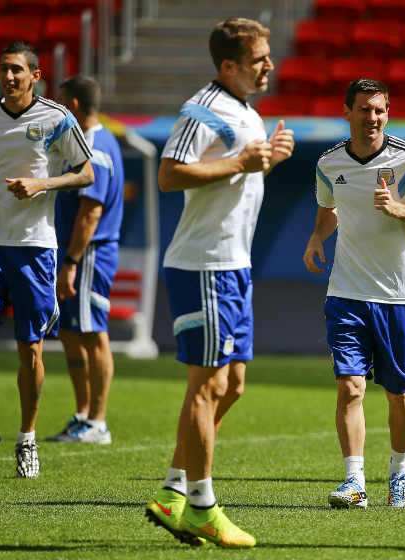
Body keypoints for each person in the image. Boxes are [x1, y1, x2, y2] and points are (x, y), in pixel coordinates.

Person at [143, 18, 293, 549]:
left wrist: (264, 161)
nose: (268, 65)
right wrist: (241, 161)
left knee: (232, 386)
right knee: (206, 387)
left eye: (268, 56)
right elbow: (169, 173)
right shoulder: (199, 109)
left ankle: (172, 491)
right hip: (203, 265)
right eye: (258, 59)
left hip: (234, 266)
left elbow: (234, 176)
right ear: (228, 66)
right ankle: (202, 507)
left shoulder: (248, 112)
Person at [303, 78, 405, 509]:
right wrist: (315, 238)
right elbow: (330, 208)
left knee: (400, 394)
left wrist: (399, 209)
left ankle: (399, 474)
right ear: (347, 112)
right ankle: (354, 481)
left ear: (388, 111)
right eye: (364, 110)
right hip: (345, 292)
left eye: (379, 110)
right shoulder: (328, 164)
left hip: (397, 295)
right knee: (350, 388)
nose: (373, 118)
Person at [0, 41, 94, 478]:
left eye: (18, 70)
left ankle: (27, 438)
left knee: (30, 351)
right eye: (4, 69)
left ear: (36, 75)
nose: (10, 77)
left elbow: (86, 172)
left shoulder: (57, 118)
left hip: (36, 248)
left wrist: (43, 184)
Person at [46, 75, 124, 444]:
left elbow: (90, 213)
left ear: (74, 106)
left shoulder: (95, 146)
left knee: (93, 333)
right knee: (71, 332)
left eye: (61, 103)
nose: (58, 109)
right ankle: (82, 415)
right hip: (76, 252)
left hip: (89, 253)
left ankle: (97, 421)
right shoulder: (91, 140)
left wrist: (72, 262)